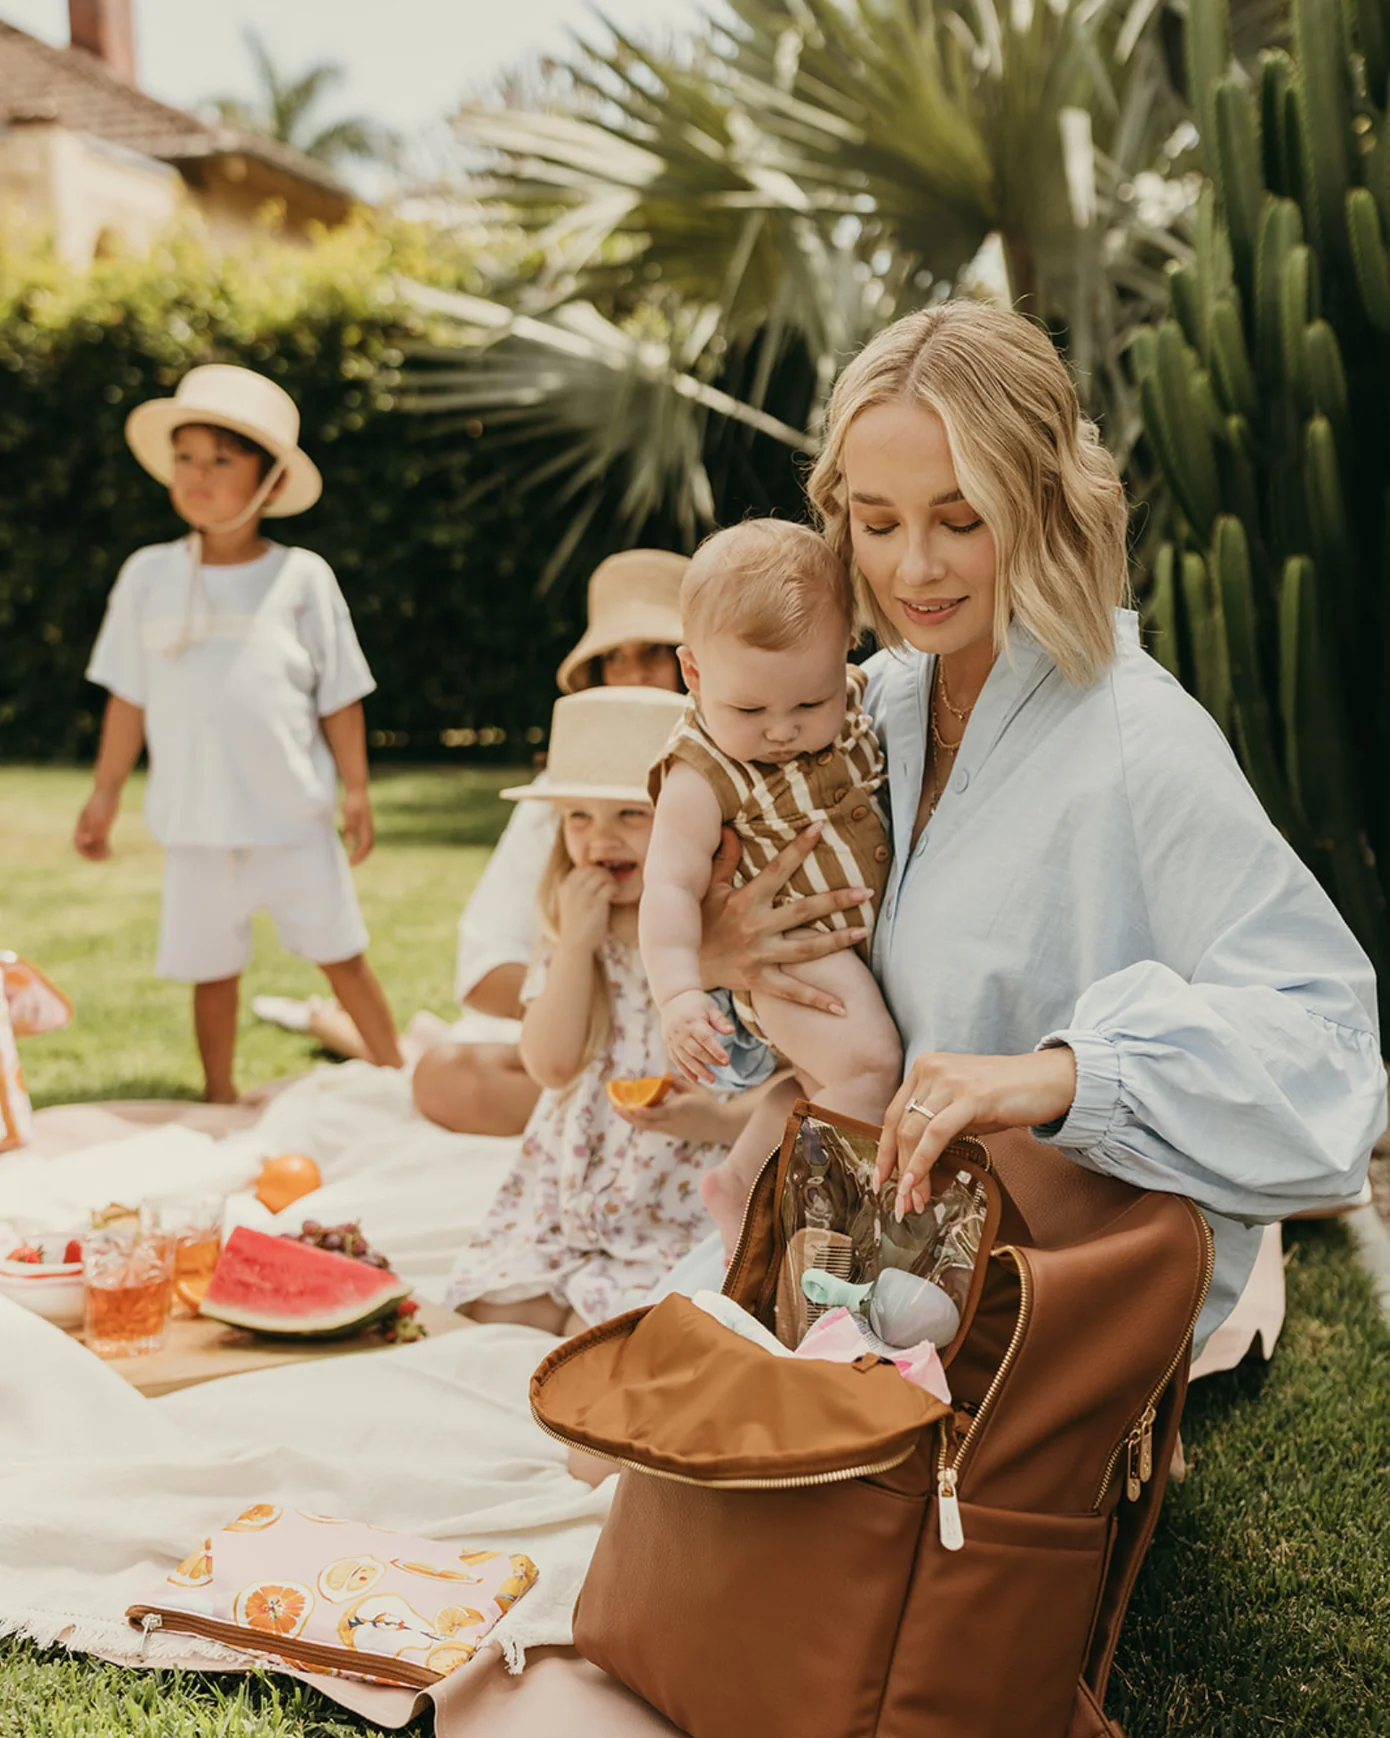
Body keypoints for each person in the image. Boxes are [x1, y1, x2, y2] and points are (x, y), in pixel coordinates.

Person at [667, 300, 1384, 1349]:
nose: (914, 567)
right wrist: (725, 966)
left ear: (1042, 501)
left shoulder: (1139, 742)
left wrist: (1064, 1075)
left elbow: (1336, 1062)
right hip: (836, 1259)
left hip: (1023, 1305)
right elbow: (761, 1061)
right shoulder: (862, 715)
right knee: (615, 1445)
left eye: (961, 519)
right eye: (877, 523)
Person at [74, 365, 401, 1103]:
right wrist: (103, 796)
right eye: (186, 457)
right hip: (197, 824)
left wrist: (355, 790)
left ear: (271, 481)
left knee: (340, 953)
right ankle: (218, 1095)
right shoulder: (147, 576)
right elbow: (127, 697)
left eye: (222, 459)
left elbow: (340, 696)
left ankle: (400, 1084)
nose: (197, 474)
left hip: (292, 817)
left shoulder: (301, 577)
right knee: (210, 965)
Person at [642, 520, 901, 1252]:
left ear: (848, 648)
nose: (783, 731)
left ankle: (741, 1179)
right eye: (750, 711)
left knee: (817, 1084)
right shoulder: (701, 774)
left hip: (835, 950)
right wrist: (679, 993)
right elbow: (666, 888)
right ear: (693, 674)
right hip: (789, 947)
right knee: (869, 1064)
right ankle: (821, 1223)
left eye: (808, 705)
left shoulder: (851, 697)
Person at [446, 685, 720, 1334]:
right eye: (577, 817)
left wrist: (705, 1116)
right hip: (568, 1192)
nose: (601, 839)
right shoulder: (572, 924)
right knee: (497, 1310)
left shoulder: (711, 939)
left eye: (630, 814)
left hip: (670, 1191)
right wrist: (574, 944)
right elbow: (550, 1062)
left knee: (600, 1338)